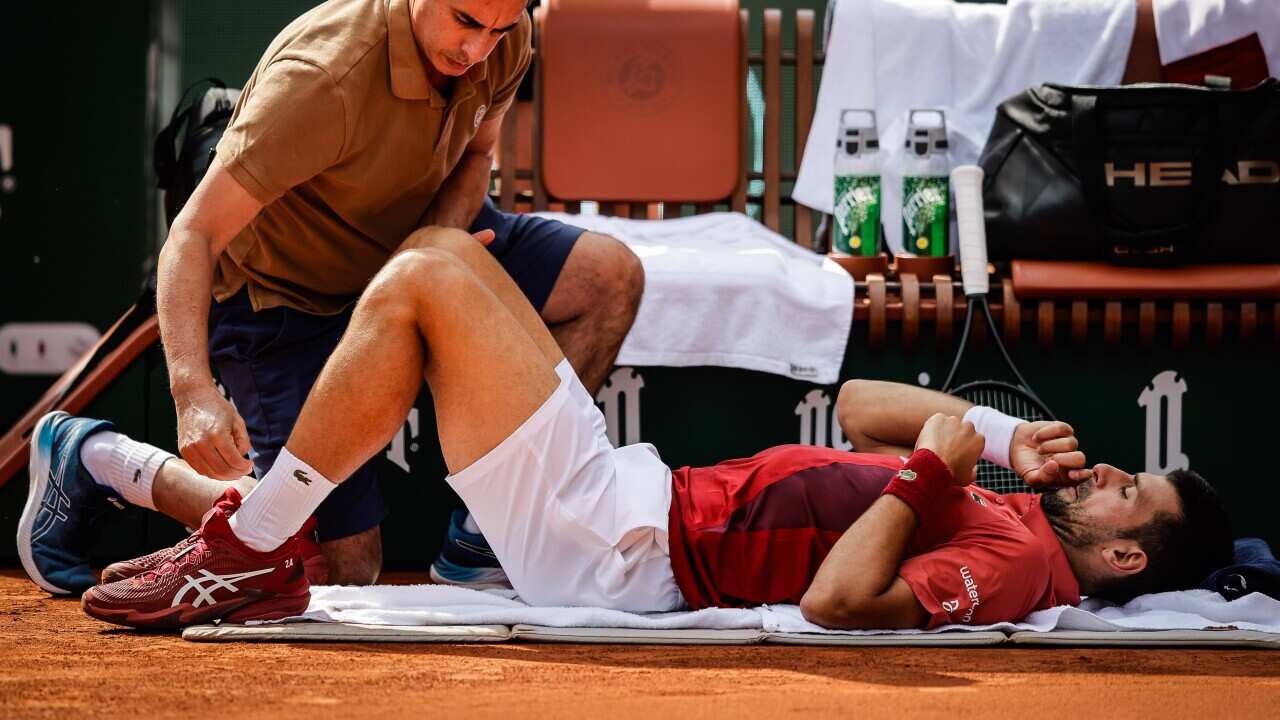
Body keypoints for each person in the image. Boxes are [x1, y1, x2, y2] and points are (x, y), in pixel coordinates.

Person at [22, 228, 1231, 629]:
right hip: (622, 506)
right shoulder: (1016, 504)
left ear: (1123, 558)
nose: (1114, 474)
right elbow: (863, 405)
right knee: (434, 266)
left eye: (1134, 495)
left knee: (426, 275)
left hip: (622, 550)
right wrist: (992, 437)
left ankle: (239, 543)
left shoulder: (1018, 565)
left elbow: (838, 607)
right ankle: (111, 466)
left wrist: (929, 471)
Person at [150, 0, 643, 590]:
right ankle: (113, 463)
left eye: (499, 30)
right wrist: (192, 391)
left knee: (609, 278)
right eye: (465, 22)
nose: (478, 51)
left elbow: (477, 154)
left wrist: (428, 255)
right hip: (286, 300)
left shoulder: (505, 29)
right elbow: (194, 231)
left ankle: (484, 536)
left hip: (419, 236)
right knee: (345, 573)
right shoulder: (319, 78)